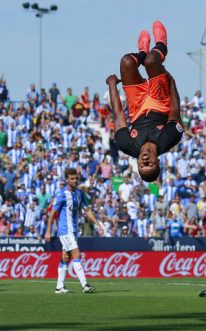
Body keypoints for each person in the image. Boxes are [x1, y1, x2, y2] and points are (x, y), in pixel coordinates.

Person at [106, 21, 183, 182]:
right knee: (152, 61)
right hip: (159, 101)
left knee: (126, 61)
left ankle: (141, 52)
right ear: (157, 162)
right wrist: (171, 82)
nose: (145, 161)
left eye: (142, 166)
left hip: (137, 105)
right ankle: (161, 44)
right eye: (150, 165)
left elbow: (119, 115)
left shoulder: (126, 145)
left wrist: (113, 85)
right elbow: (175, 110)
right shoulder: (170, 139)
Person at [44, 168, 104, 294]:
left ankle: (59, 287)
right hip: (65, 230)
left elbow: (87, 210)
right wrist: (48, 231)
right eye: (72, 178)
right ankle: (85, 285)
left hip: (75, 230)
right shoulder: (61, 194)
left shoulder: (79, 193)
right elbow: (52, 213)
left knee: (66, 257)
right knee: (76, 254)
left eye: (76, 178)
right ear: (67, 179)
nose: (75, 180)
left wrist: (98, 224)